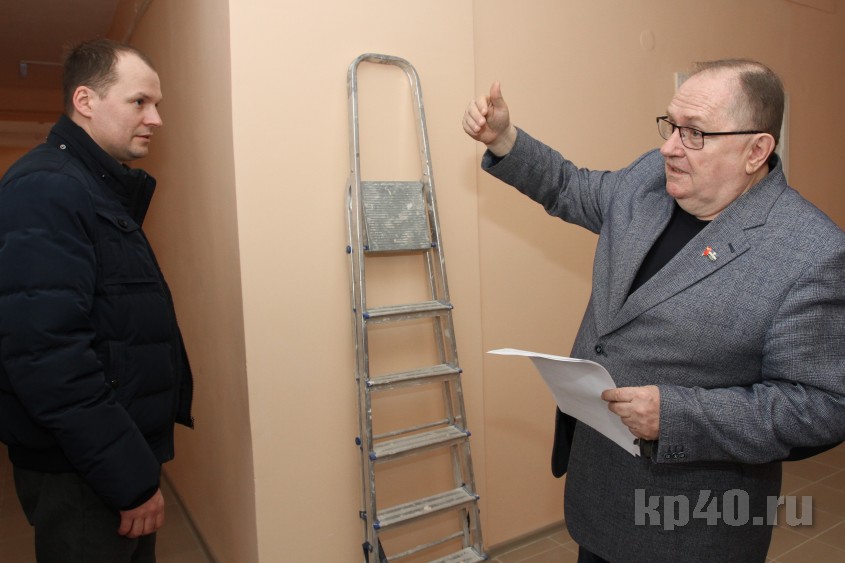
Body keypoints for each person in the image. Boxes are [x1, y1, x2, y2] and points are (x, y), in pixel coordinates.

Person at [463, 59, 845, 562]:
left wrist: (677, 416)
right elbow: (570, 187)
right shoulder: (650, 179)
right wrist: (505, 139)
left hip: (689, 524)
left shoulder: (811, 252)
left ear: (756, 150)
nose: (670, 147)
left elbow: (822, 407)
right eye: (671, 125)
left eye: (695, 133)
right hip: (600, 489)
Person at [0, 38, 193, 562]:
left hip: (108, 457)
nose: (155, 119)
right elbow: (47, 357)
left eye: (156, 104)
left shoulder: (91, 187)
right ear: (85, 101)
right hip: (86, 471)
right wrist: (128, 477)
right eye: (139, 102)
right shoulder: (47, 188)